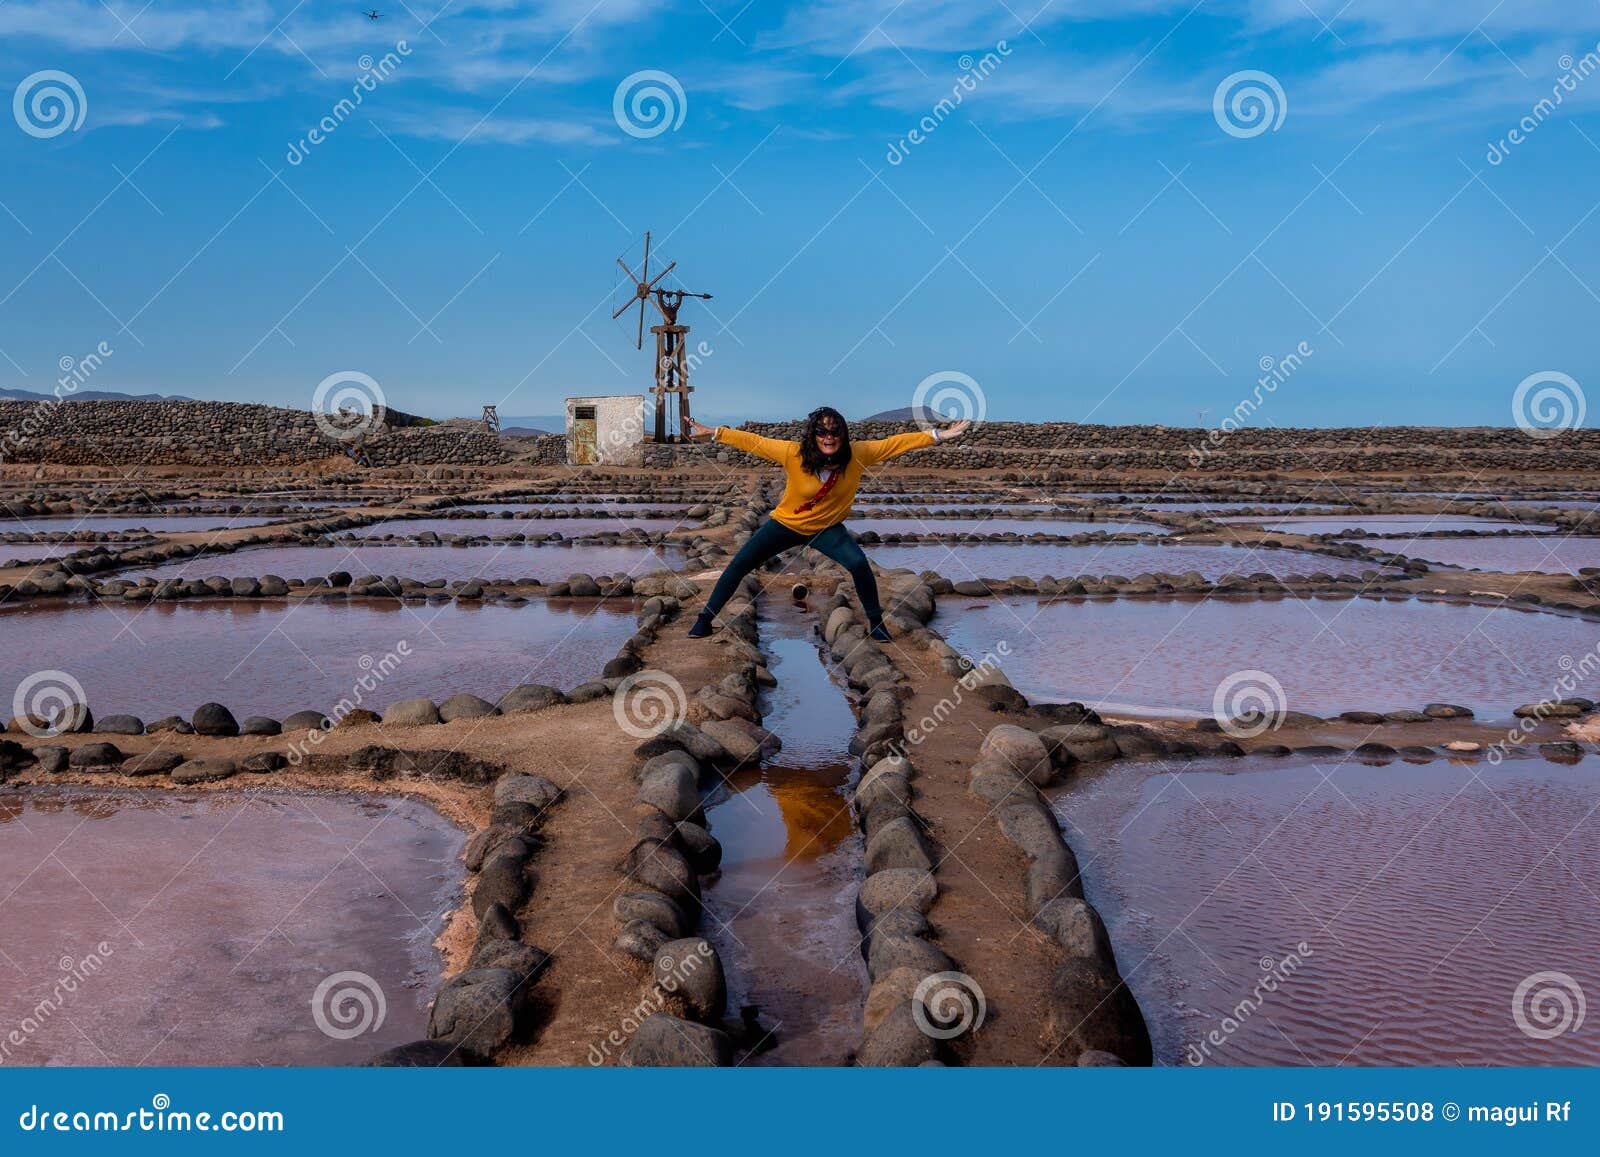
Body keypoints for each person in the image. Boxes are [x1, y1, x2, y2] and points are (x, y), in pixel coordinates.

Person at [683, 407, 971, 641]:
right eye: (822, 431)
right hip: (786, 524)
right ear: (813, 434)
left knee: (858, 564)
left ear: (842, 434)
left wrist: (938, 435)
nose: (828, 437)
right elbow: (754, 442)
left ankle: (875, 622)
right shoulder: (793, 453)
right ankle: (704, 620)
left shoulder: (857, 455)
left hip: (827, 529)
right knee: (739, 564)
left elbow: (895, 444)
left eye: (834, 431)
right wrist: (714, 433)